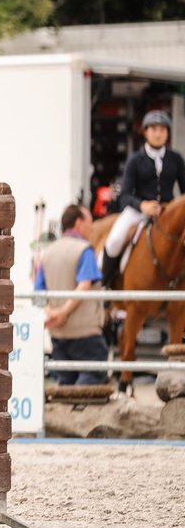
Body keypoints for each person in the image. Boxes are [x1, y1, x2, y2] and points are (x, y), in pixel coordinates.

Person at [101, 109, 185, 287]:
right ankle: (106, 285)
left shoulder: (176, 159)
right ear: (145, 131)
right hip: (138, 211)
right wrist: (142, 205)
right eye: (154, 129)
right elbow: (124, 195)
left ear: (167, 133)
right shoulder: (135, 160)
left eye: (162, 129)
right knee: (115, 240)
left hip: (166, 212)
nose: (158, 133)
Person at [36, 204, 108, 387]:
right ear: (78, 222)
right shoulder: (85, 250)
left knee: (64, 382)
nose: (92, 227)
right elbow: (84, 284)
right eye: (90, 222)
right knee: (92, 378)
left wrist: (51, 312)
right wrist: (63, 312)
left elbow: (39, 291)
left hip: (58, 334)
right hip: (85, 332)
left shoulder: (47, 253)